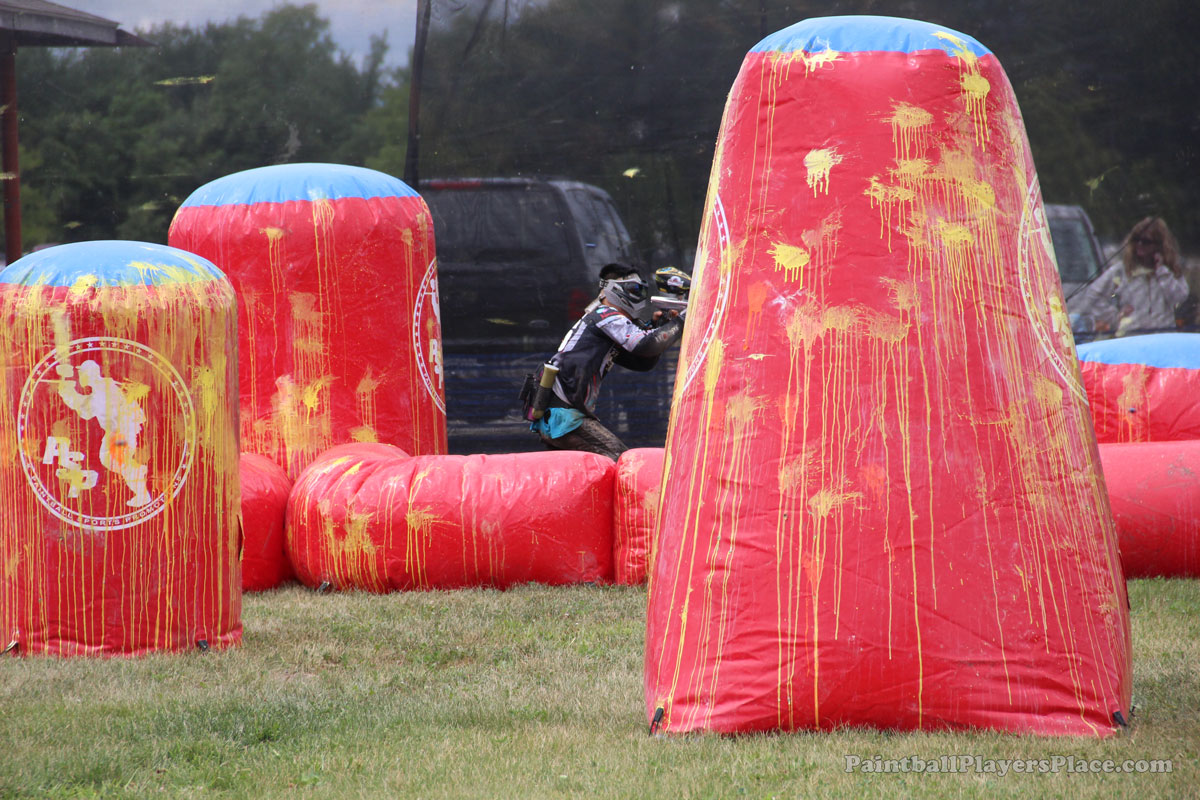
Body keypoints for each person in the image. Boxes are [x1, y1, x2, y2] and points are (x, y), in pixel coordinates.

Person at [529, 263, 685, 460]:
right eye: (634, 289)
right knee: (622, 461)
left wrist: (659, 324)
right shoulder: (605, 315)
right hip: (564, 417)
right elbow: (645, 346)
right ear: (614, 289)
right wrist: (682, 320)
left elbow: (643, 362)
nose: (639, 296)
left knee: (598, 468)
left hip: (562, 415)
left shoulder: (601, 323)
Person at [1076, 216, 1187, 336]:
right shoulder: (1122, 270)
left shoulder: (1169, 271)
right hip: (1132, 337)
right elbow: (1093, 296)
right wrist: (1115, 316)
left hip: (1163, 337)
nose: (1139, 244)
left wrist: (1162, 272)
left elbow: (1180, 298)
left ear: (1159, 245)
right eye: (1136, 239)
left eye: (1146, 241)